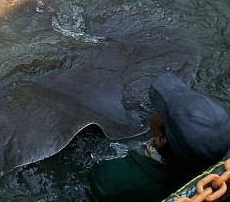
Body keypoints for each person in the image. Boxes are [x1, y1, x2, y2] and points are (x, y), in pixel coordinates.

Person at [89, 73, 230, 202]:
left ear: (161, 139)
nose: (155, 110)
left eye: (160, 111)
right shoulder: (218, 136)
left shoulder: (112, 179)